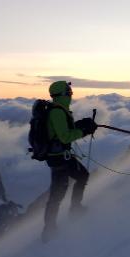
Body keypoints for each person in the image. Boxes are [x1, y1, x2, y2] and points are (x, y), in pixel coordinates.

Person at [40, 80, 95, 242]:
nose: (71, 94)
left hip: (62, 156)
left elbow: (62, 131)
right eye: (69, 92)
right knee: (57, 195)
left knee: (83, 176)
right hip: (59, 160)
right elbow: (65, 136)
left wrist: (82, 125)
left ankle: (75, 209)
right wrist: (84, 130)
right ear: (63, 94)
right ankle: (49, 230)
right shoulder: (57, 112)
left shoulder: (59, 110)